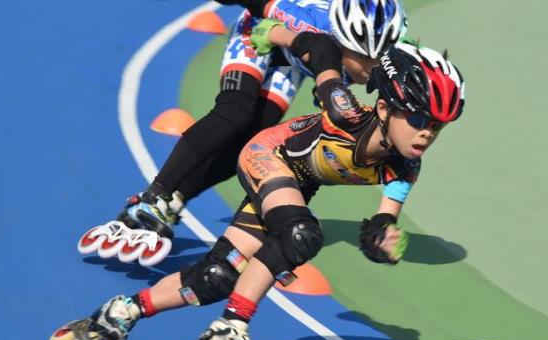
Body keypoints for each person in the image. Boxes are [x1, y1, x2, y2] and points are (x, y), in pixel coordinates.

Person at [52, 32, 465, 340]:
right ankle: (231, 327)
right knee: (301, 234)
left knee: (214, 277)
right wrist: (277, 33)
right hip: (267, 155)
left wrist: (381, 241)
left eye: (437, 127)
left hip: (296, 184)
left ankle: (123, 311)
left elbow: (383, 222)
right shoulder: (345, 112)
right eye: (418, 119)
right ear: (384, 107)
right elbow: (321, 49)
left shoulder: (406, 167)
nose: (426, 134)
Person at [77, 0, 407, 266]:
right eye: (363, 58)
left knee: (254, 142)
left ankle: (176, 199)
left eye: (379, 59)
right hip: (262, 34)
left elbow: (402, 146)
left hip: (294, 61)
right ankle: (153, 196)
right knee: (235, 113)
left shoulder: (392, 60)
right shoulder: (310, 26)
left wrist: (385, 218)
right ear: (341, 42)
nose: (372, 68)